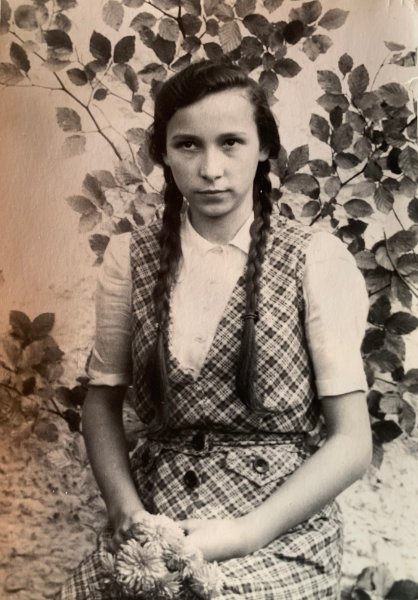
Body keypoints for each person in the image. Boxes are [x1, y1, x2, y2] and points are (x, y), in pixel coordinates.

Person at [61, 60, 372, 599]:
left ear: (264, 148)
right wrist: (128, 513)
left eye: (231, 143)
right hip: (160, 520)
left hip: (276, 528)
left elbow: (352, 442)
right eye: (187, 145)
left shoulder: (315, 259)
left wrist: (245, 533)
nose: (210, 169)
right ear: (163, 153)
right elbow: (102, 401)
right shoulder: (130, 259)